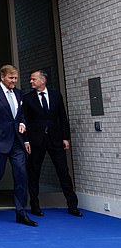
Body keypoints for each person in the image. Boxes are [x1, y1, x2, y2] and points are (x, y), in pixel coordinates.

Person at [0, 64, 37, 226]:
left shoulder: (18, 93)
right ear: (2, 77)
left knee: (21, 174)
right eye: (11, 78)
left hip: (17, 141)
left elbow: (20, 115)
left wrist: (24, 134)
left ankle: (21, 212)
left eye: (16, 78)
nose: (14, 81)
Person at [22, 70, 82, 217]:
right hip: (36, 141)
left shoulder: (56, 96)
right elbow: (24, 120)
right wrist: (26, 140)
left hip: (55, 139)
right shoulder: (28, 98)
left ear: (43, 80)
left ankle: (72, 205)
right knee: (34, 172)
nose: (31, 82)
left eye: (33, 79)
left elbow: (62, 118)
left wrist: (66, 138)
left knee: (63, 171)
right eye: (31, 79)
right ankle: (35, 205)